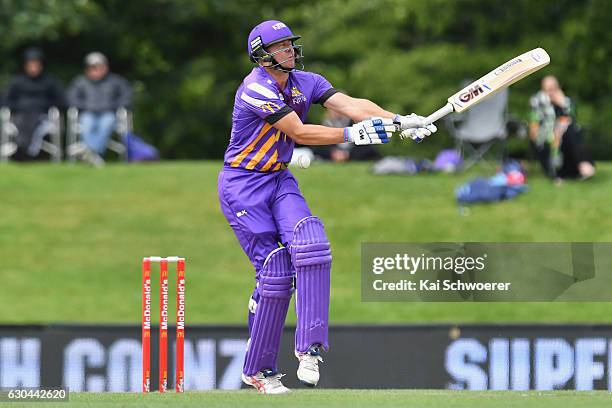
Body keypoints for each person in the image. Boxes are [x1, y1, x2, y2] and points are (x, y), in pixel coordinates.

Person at [217, 20, 436, 394]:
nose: (290, 51)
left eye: (290, 45)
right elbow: (299, 132)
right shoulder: (255, 88)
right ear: (263, 55)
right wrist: (352, 134)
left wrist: (399, 121)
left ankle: (310, 349)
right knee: (275, 272)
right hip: (242, 184)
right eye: (282, 47)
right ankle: (260, 371)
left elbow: (351, 105)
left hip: (279, 178)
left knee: (312, 243)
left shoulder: (307, 81)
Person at [67, 52, 132, 164]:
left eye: (99, 67)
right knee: (86, 123)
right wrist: (85, 106)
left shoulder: (116, 81)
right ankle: (93, 154)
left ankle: (88, 150)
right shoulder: (80, 82)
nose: (96, 70)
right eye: (93, 67)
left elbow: (126, 96)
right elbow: (71, 98)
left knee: (107, 122)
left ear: (105, 67)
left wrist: (115, 106)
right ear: (87, 69)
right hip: (88, 113)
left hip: (109, 113)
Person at [529, 75, 595, 180]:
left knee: (572, 131)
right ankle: (582, 164)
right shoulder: (537, 101)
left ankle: (582, 163)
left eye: (554, 88)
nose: (552, 92)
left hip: (565, 139)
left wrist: (563, 104)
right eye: (549, 89)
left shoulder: (565, 101)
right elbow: (534, 126)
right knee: (568, 132)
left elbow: (572, 119)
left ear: (558, 88)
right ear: (543, 89)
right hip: (545, 138)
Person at [4, 47, 64, 160]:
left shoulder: (50, 81)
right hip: (20, 115)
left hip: (41, 116)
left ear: (41, 65)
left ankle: (24, 151)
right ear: (25, 65)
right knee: (22, 122)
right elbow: (6, 100)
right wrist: (20, 107)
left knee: (34, 122)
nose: (33, 68)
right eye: (30, 64)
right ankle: (26, 151)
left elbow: (60, 100)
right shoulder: (17, 81)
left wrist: (42, 105)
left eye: (36, 64)